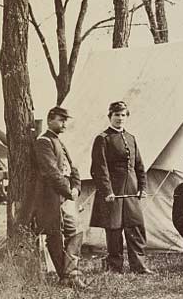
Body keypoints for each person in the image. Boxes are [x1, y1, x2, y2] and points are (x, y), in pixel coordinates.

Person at [89, 101, 153, 274]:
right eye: (116, 115)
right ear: (110, 117)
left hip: (132, 191)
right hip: (113, 192)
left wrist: (142, 187)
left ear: (127, 117)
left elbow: (139, 165)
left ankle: (139, 266)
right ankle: (115, 267)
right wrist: (107, 191)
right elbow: (99, 168)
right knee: (114, 229)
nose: (120, 118)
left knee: (136, 227)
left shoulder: (131, 138)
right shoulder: (103, 139)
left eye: (123, 115)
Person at [31, 107, 86, 288]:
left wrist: (76, 187)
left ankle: (69, 274)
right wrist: (67, 191)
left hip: (65, 195)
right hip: (50, 196)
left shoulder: (59, 141)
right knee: (55, 235)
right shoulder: (43, 142)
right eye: (60, 120)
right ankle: (67, 276)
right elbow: (51, 172)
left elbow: (73, 167)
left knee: (76, 231)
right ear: (49, 120)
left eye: (65, 120)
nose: (64, 124)